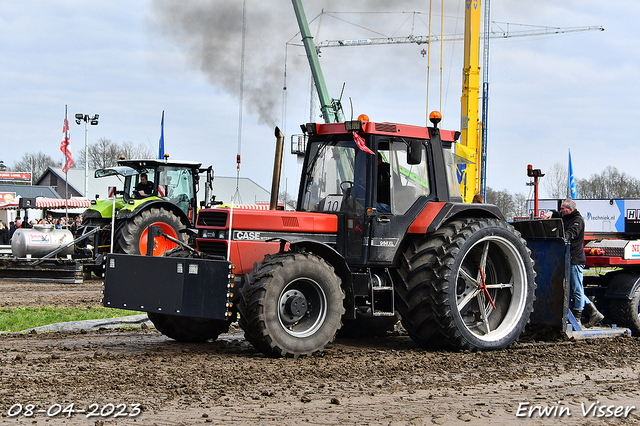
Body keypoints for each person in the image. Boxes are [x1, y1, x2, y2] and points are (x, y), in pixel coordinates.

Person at [544, 199, 604, 328]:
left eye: (562, 209)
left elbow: (570, 234)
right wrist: (551, 213)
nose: (561, 211)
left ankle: (577, 317)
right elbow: (557, 214)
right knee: (574, 289)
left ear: (570, 210)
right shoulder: (567, 216)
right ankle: (594, 312)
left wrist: (559, 238)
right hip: (569, 259)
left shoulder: (577, 221)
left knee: (577, 289)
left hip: (575, 260)